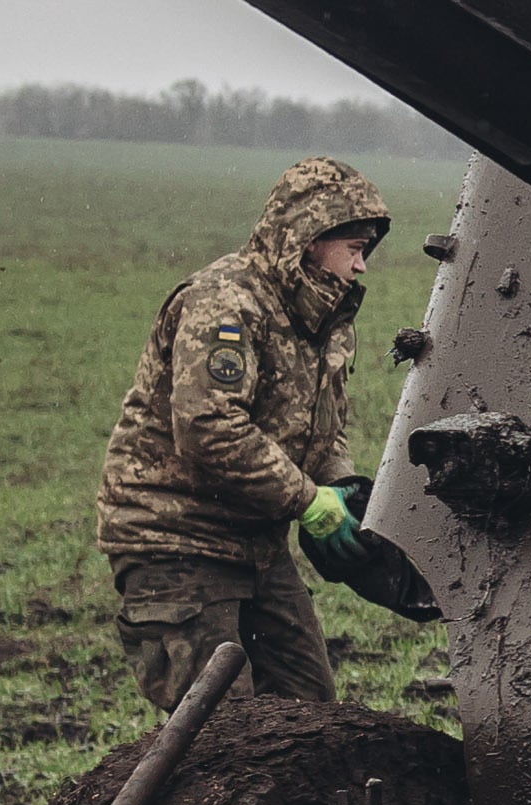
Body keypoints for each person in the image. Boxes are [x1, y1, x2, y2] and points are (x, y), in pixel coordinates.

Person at [94, 156, 395, 709]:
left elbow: (322, 432)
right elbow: (208, 427)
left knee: (311, 717)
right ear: (310, 239)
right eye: (353, 248)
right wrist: (308, 500)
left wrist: (343, 491)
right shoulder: (226, 302)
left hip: (254, 543)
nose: (362, 266)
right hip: (174, 542)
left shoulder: (323, 319)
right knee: (222, 738)